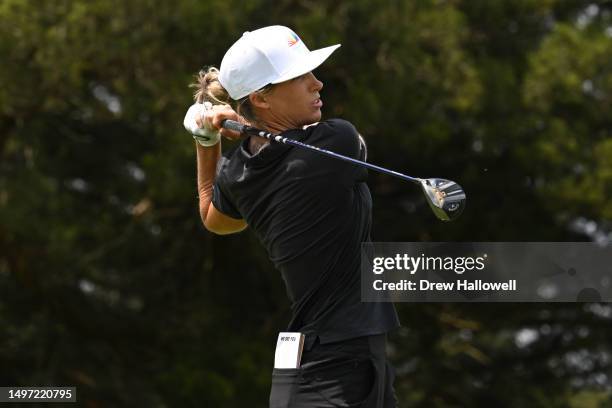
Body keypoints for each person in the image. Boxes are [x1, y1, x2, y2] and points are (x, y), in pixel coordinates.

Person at [185, 25, 400, 408]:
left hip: (341, 364)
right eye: (301, 78)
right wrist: (236, 127)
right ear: (261, 98)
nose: (318, 84)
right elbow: (300, 150)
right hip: (329, 373)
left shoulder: (238, 172)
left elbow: (212, 217)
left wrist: (207, 142)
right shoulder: (335, 142)